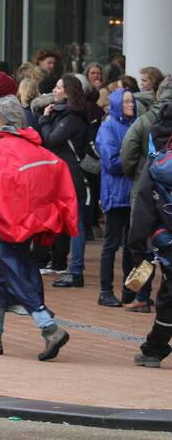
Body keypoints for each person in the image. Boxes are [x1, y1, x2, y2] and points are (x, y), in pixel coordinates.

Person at [0, 96, 76, 360]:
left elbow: (2, 190)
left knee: (13, 270)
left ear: (4, 120)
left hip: (9, 221)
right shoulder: (30, 145)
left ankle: (48, 326)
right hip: (27, 219)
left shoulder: (2, 148)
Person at [127, 102, 172, 367]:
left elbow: (143, 213)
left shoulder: (156, 163)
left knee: (168, 297)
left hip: (167, 240)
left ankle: (153, 350)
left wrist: (137, 251)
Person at [40, 74, 90, 287]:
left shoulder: (71, 117)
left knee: (75, 223)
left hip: (71, 175)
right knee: (65, 221)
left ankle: (76, 270)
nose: (55, 89)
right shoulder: (65, 114)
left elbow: (51, 140)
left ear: (67, 91)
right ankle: (65, 264)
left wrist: (44, 119)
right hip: (63, 173)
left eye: (59, 86)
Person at [94, 88, 141, 308]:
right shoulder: (108, 128)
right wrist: (137, 163)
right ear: (116, 104)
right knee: (111, 245)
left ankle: (130, 291)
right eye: (126, 101)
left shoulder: (135, 126)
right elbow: (111, 162)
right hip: (116, 194)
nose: (131, 104)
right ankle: (105, 291)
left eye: (132, 101)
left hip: (133, 194)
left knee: (134, 246)